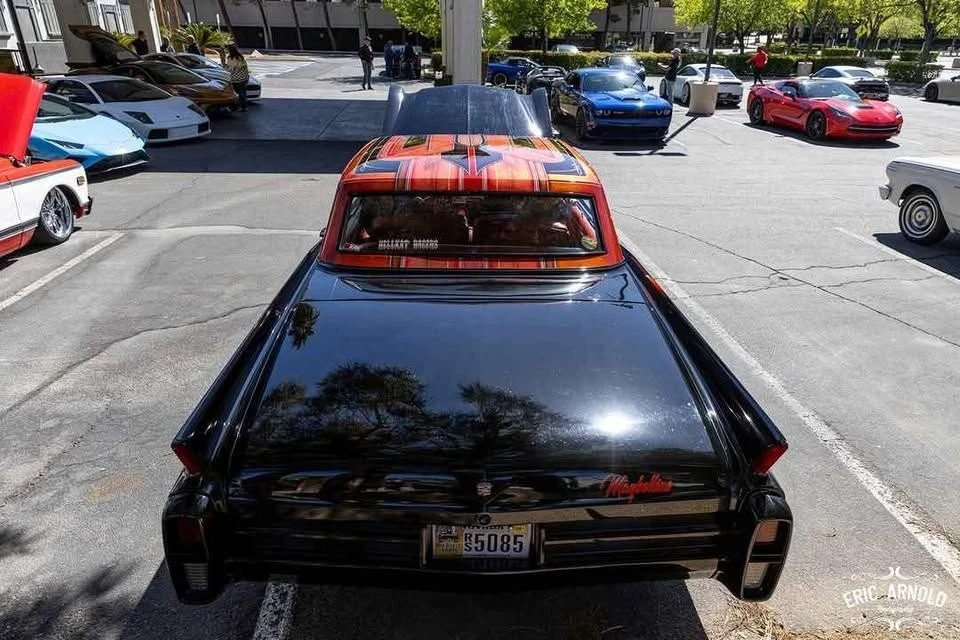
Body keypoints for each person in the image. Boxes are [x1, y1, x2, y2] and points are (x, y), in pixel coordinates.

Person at [225, 45, 250, 111]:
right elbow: (245, 67)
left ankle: (238, 106)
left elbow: (230, 68)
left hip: (236, 79)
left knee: (238, 93)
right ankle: (244, 106)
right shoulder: (240, 57)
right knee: (243, 92)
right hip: (244, 78)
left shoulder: (231, 58)